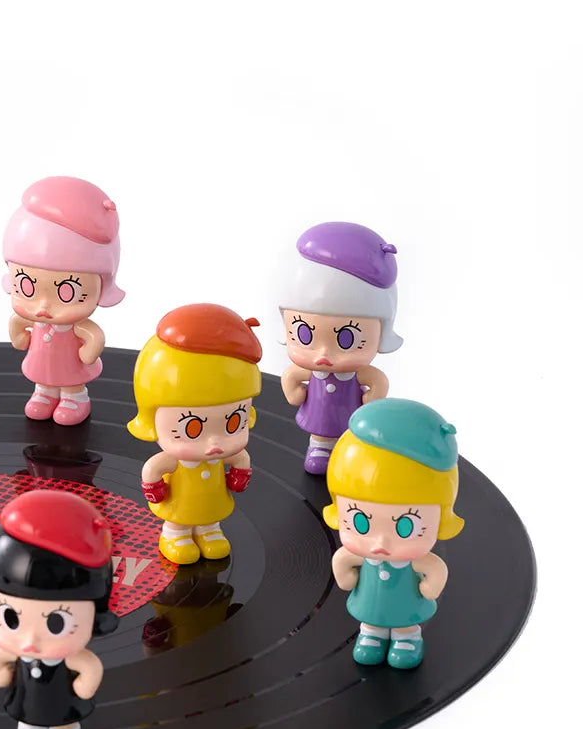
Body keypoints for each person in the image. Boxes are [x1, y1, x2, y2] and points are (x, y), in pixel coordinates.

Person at [0, 490, 116, 729]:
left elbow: (89, 667)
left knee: (61, 718)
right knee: (28, 717)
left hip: (61, 703)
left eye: (57, 623)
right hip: (27, 702)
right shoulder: (21, 650)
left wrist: (86, 683)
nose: (31, 640)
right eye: (10, 618)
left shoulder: (68, 657)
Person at [325, 398, 464, 669]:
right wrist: (343, 571)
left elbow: (436, 569)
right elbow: (342, 560)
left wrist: (432, 585)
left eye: (405, 527)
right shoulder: (362, 554)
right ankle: (371, 634)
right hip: (371, 607)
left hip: (406, 608)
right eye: (360, 523)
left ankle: (407, 637)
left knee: (404, 625)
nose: (380, 542)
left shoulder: (416, 560)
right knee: (371, 627)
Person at [128, 304, 263, 565]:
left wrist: (240, 471)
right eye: (192, 428)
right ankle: (174, 535)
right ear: (152, 419)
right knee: (180, 525)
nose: (214, 443)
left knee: (211, 523)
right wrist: (155, 489)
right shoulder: (172, 460)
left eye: (234, 422)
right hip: (179, 504)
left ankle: (209, 531)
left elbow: (240, 458)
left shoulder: (224, 453)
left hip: (212, 503)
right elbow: (152, 468)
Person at [278, 221, 400, 473]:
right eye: (304, 334)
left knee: (351, 439)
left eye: (347, 339)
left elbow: (377, 380)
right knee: (321, 438)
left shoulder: (357, 373)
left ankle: (348, 451)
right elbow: (291, 375)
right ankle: (319, 447)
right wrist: (292, 390)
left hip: (351, 417)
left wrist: (374, 396)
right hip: (320, 418)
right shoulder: (312, 370)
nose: (323, 354)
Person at [2, 176, 124, 424]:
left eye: (67, 292)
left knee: (70, 381)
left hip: (70, 366)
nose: (44, 307)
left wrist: (90, 350)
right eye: (26, 286)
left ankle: (74, 397)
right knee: (43, 380)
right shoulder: (34, 318)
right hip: (42, 363)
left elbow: (94, 336)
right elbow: (17, 322)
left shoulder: (75, 326)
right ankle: (44, 393)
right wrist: (17, 334)